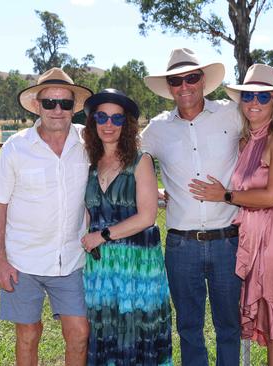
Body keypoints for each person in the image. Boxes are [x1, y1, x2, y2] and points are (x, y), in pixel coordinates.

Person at [141, 48, 273, 366]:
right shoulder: (156, 129)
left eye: (192, 77)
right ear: (169, 87)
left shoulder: (230, 114)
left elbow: (272, 128)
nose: (185, 85)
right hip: (181, 245)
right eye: (177, 80)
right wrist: (151, 192)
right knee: (189, 329)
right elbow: (120, 150)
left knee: (229, 329)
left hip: (229, 242)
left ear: (203, 81)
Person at [188, 64, 273, 365]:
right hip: (253, 236)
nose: (254, 103)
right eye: (248, 96)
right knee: (269, 319)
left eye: (263, 97)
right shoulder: (245, 139)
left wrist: (225, 196)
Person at [0, 67, 92, 366]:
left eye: (65, 103)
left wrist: (153, 189)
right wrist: (0, 261)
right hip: (23, 261)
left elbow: (126, 159)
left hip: (72, 259)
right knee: (29, 334)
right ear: (37, 105)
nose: (57, 110)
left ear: (74, 107)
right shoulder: (15, 147)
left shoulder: (89, 142)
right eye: (49, 103)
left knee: (79, 333)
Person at [80, 89, 172, 365]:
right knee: (104, 330)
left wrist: (103, 235)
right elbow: (87, 213)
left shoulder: (140, 161)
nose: (109, 125)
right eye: (102, 117)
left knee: (137, 331)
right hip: (102, 267)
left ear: (127, 124)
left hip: (137, 265)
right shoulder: (89, 164)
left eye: (117, 119)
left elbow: (147, 216)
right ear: (93, 122)